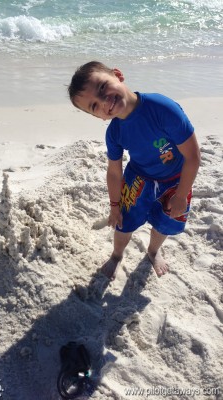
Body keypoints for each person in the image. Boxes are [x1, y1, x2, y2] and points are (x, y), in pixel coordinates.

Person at [68, 61, 200, 279]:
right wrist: (114, 205)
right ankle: (117, 255)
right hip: (138, 178)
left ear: (118, 75)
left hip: (176, 179)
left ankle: (153, 251)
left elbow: (193, 156)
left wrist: (181, 194)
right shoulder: (115, 133)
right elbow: (114, 172)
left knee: (164, 222)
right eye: (94, 105)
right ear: (98, 117)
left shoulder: (162, 108)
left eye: (102, 87)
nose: (104, 101)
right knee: (123, 223)